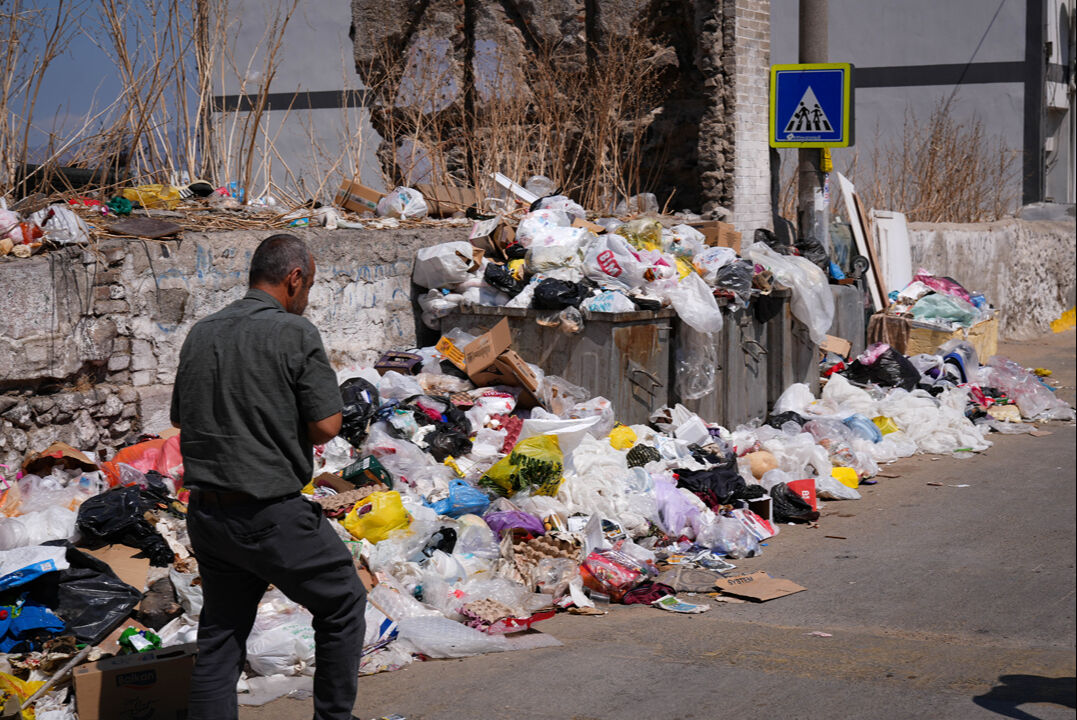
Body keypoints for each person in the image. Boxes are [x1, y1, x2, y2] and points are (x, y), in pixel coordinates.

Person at [171, 234, 366, 720]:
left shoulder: (202, 332)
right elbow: (326, 426)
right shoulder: (294, 332)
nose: (308, 297)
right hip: (270, 513)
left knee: (222, 632)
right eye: (310, 285)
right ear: (294, 278)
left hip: (207, 515)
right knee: (343, 602)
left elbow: (180, 416)